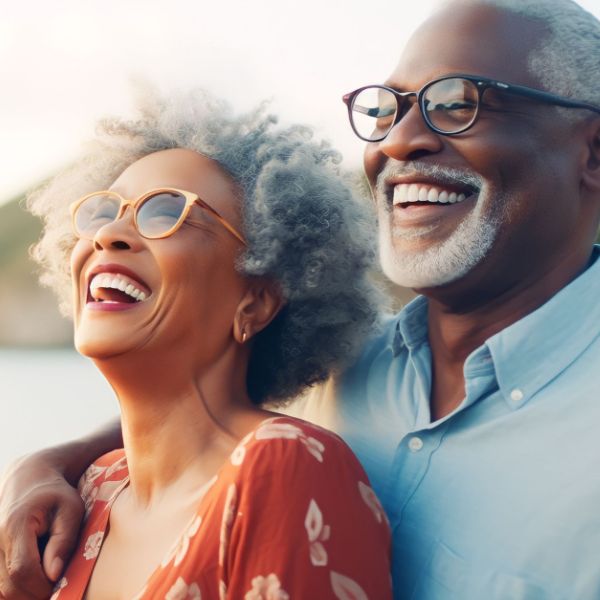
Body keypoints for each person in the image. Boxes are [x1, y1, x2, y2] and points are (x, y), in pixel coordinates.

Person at [2, 0, 600, 597]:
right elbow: (186, 417)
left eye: (457, 104)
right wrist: (50, 465)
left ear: (592, 152)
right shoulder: (336, 368)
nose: (400, 141)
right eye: (387, 110)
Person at [0, 90, 393, 599]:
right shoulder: (89, 489)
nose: (110, 233)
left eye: (166, 212)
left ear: (255, 300)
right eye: (103, 212)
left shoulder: (284, 466)